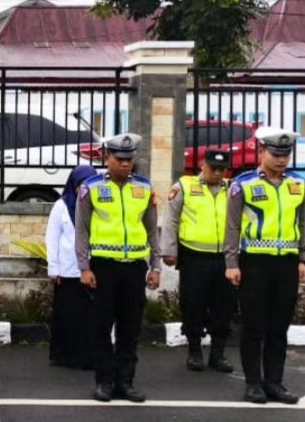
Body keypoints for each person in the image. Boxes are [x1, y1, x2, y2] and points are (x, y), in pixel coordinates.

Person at [75, 133, 161, 403]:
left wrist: (155, 266)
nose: (125, 164)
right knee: (101, 326)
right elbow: (81, 231)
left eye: (129, 159)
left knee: (130, 327)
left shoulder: (144, 188)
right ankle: (105, 382)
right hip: (104, 266)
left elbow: (151, 230)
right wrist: (83, 267)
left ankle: (126, 381)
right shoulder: (91, 188)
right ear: (107, 158)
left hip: (135, 266)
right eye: (119, 159)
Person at [224, 127, 305, 405]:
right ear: (261, 152)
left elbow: (302, 223)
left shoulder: (298, 184)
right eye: (275, 154)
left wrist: (302, 258)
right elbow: (232, 228)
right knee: (254, 325)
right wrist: (231, 262)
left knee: (279, 326)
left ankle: (275, 383)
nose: (281, 160)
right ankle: (254, 384)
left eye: (285, 154)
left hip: (286, 263)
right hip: (254, 262)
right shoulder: (243, 184)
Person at [162, 149, 235, 373]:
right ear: (202, 165)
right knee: (193, 305)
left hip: (225, 258)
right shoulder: (184, 185)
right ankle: (194, 351)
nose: (217, 173)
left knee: (223, 308)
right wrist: (169, 250)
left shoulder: (232, 189)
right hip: (194, 257)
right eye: (213, 168)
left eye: (222, 169)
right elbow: (171, 219)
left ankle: (218, 354)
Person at [46, 164, 98, 370]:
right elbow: (52, 238)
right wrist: (54, 268)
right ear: (74, 185)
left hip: (90, 270)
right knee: (68, 316)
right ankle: (65, 356)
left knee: (90, 316)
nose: (84, 190)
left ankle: (87, 356)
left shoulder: (99, 207)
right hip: (67, 271)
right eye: (81, 185)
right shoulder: (61, 207)